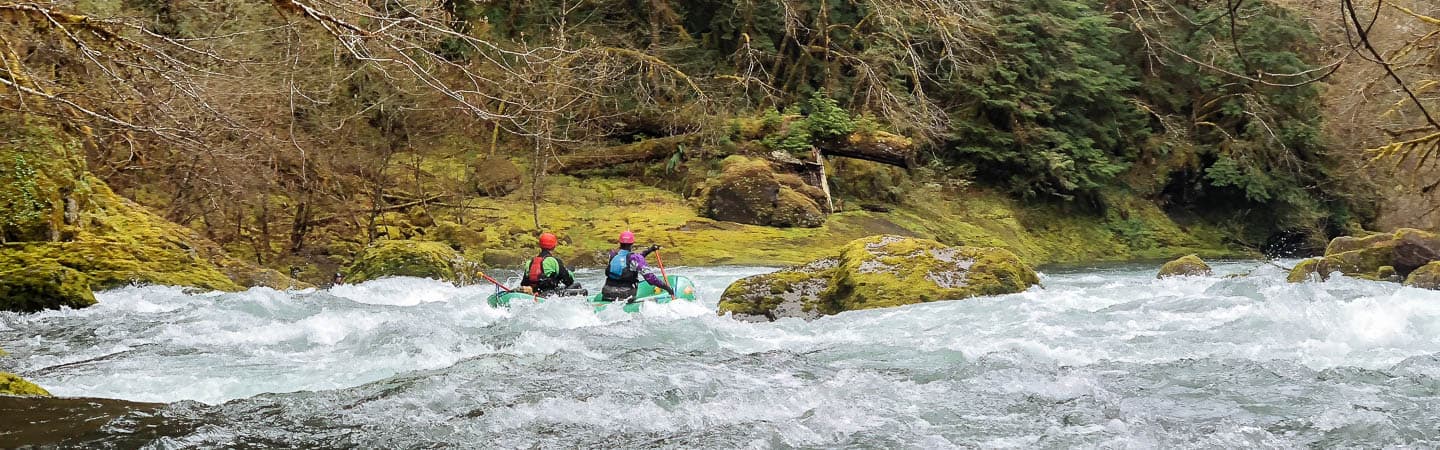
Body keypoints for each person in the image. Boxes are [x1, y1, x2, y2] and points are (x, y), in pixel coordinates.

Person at [601, 230, 675, 303]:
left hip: (607, 293)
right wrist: (667, 288)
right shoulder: (635, 258)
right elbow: (651, 278)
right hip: (625, 295)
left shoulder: (612, 255)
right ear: (632, 243)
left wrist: (650, 250)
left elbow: (631, 260)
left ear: (620, 242)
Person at [519, 232, 579, 297]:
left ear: (540, 245)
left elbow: (524, 283)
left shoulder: (530, 262)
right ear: (554, 246)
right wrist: (570, 273)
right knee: (577, 286)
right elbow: (568, 281)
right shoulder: (554, 261)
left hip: (534, 294)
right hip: (550, 296)